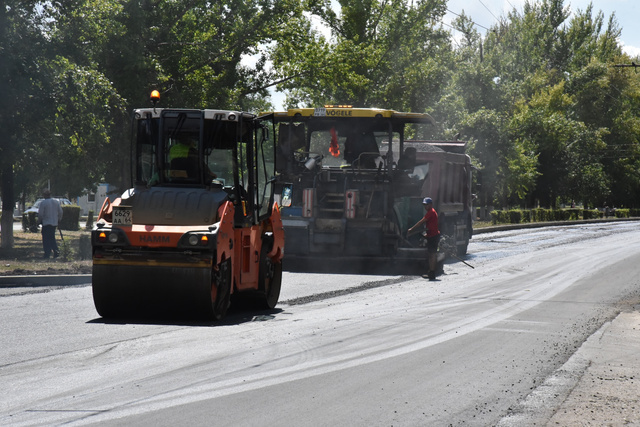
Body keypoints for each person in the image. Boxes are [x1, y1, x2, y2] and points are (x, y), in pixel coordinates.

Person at [407, 197, 440, 280]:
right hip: (431, 235)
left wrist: (411, 229)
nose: (425, 206)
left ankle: (432, 273)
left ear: (431, 205)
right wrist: (427, 234)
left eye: (427, 205)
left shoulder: (431, 212)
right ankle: (431, 272)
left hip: (433, 236)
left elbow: (421, 222)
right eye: (424, 205)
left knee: (432, 255)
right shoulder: (430, 212)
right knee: (430, 254)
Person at [38, 189, 63, 259]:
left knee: (46, 239)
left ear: (44, 195)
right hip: (54, 223)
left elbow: (40, 214)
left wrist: (39, 221)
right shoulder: (56, 202)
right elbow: (61, 212)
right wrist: (59, 220)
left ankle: (47, 253)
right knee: (52, 237)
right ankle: (56, 252)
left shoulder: (43, 203)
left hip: (46, 223)